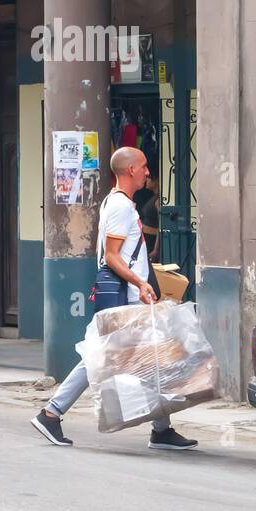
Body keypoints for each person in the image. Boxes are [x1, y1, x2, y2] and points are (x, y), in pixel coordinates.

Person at [30, 146, 197, 450]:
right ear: (131, 170)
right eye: (144, 166)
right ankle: (51, 413)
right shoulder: (120, 206)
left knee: (151, 359)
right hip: (128, 298)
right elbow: (112, 256)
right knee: (102, 356)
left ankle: (161, 429)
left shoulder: (116, 202)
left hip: (131, 296)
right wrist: (140, 282)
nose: (148, 172)